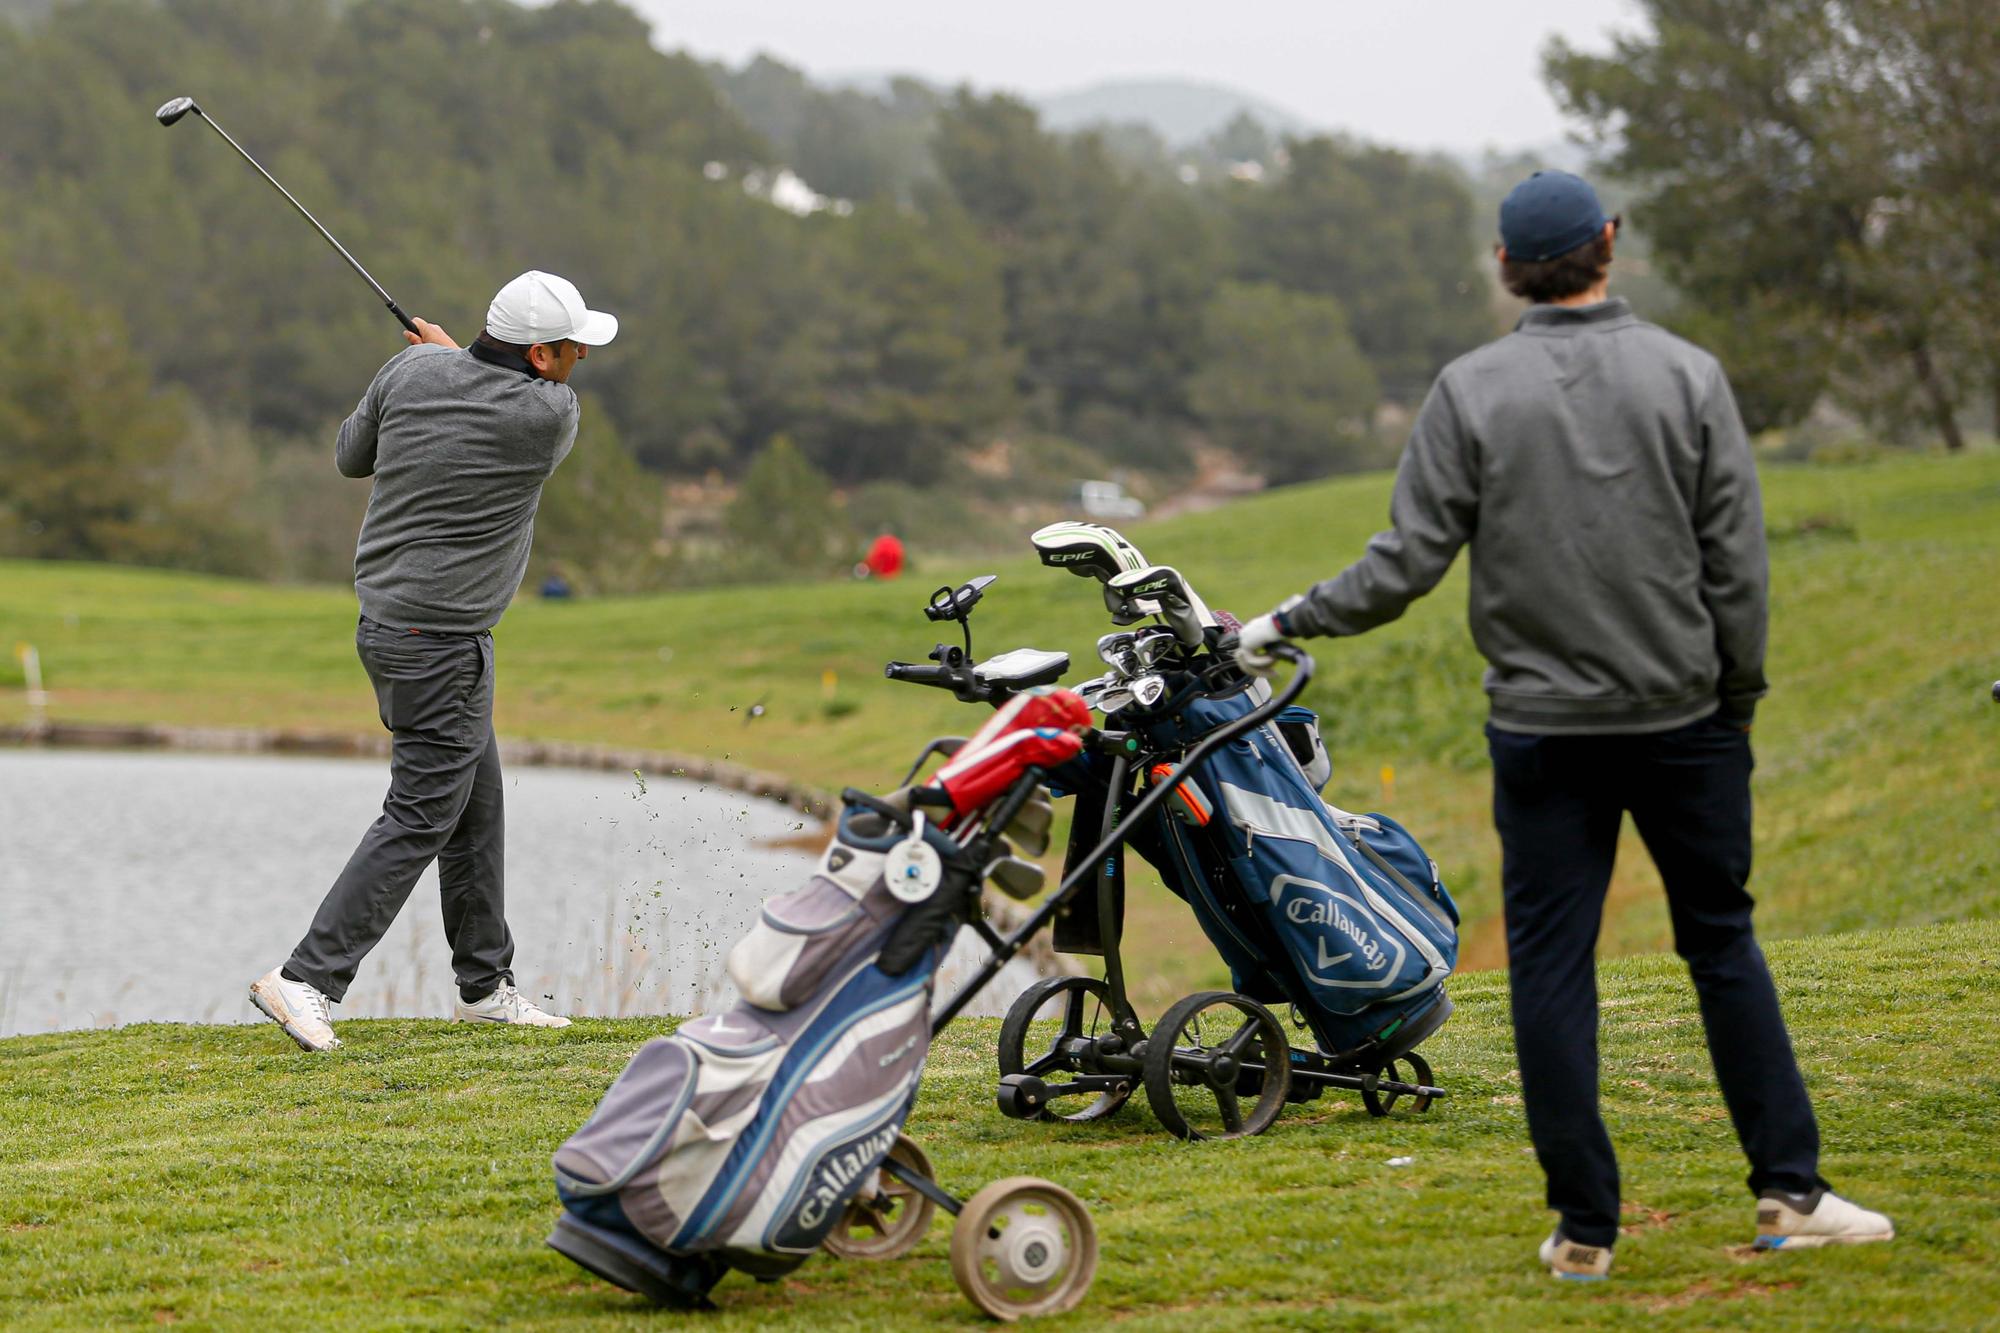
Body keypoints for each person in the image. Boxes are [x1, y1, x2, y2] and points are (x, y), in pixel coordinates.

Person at [1231, 172, 1892, 1278]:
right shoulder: (1687, 376)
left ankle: (1584, 1230)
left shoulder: (1470, 389)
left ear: (1504, 267)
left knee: (1548, 965)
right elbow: (1737, 567)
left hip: (1539, 734)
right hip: (1683, 721)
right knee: (1720, 945)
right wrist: (1734, 696)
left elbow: (1402, 567)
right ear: (1609, 244)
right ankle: (1788, 1191)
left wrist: (1279, 623)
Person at [249, 270, 618, 1052]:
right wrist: (453, 364)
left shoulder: (409, 372)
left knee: (475, 806)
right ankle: (307, 976)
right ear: (543, 356)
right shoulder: (550, 416)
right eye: (574, 348)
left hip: (388, 626)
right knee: (421, 812)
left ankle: (484, 987)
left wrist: (434, 366)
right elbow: (492, 397)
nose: (582, 360)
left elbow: (354, 457)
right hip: (442, 647)